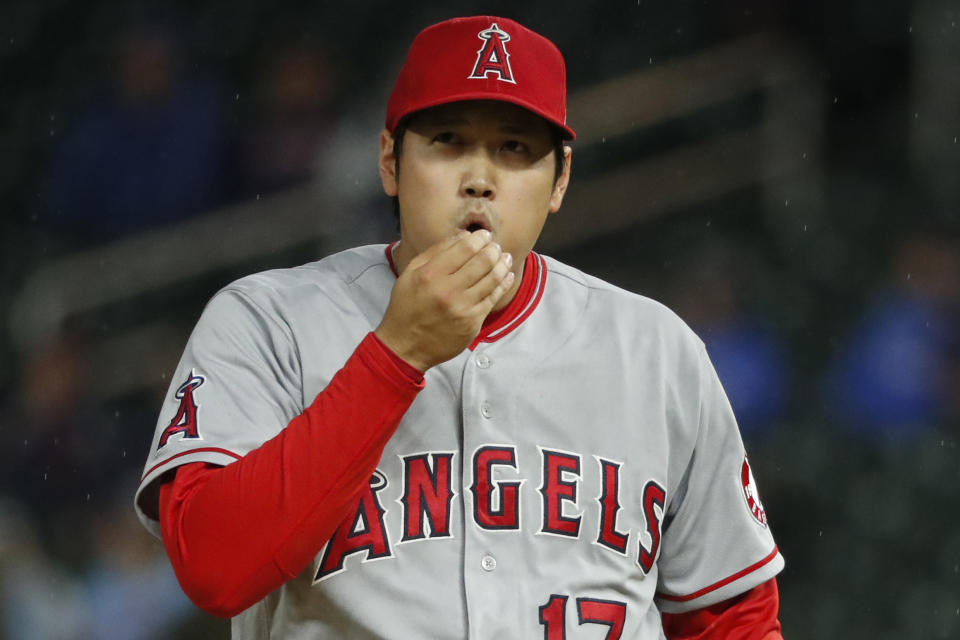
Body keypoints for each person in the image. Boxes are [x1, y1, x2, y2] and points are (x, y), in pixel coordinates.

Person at [135, 16, 784, 639]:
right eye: (449, 142)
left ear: (560, 179)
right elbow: (213, 567)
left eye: (514, 149)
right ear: (389, 161)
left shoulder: (655, 352)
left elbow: (733, 618)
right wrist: (395, 355)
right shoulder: (266, 324)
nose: (480, 179)